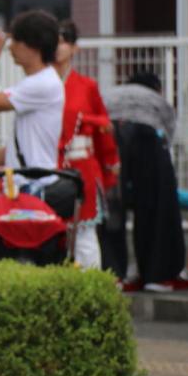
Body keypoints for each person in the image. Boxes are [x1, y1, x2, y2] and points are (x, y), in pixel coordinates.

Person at [102, 73, 186, 287]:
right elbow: (168, 133)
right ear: (157, 88)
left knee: (111, 205)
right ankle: (155, 275)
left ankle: (112, 274)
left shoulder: (111, 94)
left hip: (110, 134)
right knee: (155, 205)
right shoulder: (156, 99)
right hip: (148, 136)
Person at [0, 10, 64, 173]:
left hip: (33, 184)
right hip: (30, 183)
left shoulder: (42, 83)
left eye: (16, 41)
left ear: (34, 46)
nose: (10, 47)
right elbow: (17, 150)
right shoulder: (40, 81)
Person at [54, 21, 120, 269]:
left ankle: (90, 285)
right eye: (55, 42)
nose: (58, 48)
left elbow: (104, 127)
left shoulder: (87, 85)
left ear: (74, 48)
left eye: (64, 42)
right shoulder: (41, 84)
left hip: (83, 166)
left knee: (85, 232)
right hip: (51, 165)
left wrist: (110, 164)